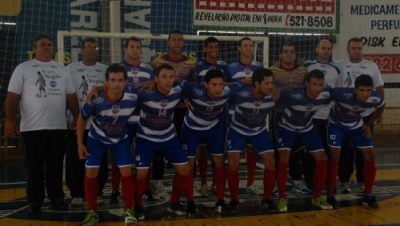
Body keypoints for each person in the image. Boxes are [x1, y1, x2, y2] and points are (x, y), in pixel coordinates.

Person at [4, 34, 79, 214]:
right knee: (35, 167)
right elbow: (12, 97)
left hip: (58, 127)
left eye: (50, 44)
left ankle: (57, 199)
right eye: (43, 44)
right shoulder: (23, 69)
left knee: (55, 167)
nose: (47, 47)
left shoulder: (62, 70)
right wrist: (9, 120)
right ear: (34, 48)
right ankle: (35, 201)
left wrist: (77, 117)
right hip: (32, 129)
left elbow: (71, 97)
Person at [77, 64, 137, 225]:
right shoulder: (96, 99)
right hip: (97, 140)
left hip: (120, 139)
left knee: (126, 172)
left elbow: (150, 87)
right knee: (90, 174)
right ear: (107, 82)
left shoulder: (133, 96)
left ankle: (128, 210)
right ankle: (92, 212)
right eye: (113, 80)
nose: (116, 84)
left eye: (120, 80)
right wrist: (79, 144)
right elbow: (81, 119)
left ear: (126, 82)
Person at [181, 68, 245, 213]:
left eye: (220, 84)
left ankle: (220, 199)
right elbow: (176, 81)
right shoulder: (194, 90)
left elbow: (243, 82)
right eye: (214, 85)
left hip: (213, 128)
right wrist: (182, 96)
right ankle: (190, 201)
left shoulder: (227, 91)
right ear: (205, 85)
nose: (218, 88)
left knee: (219, 162)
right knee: (189, 164)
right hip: (192, 128)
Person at [134, 64, 193, 218]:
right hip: (146, 138)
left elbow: (191, 87)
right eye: (164, 76)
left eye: (170, 77)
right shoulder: (144, 94)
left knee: (185, 170)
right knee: (141, 173)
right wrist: (96, 89)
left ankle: (174, 203)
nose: (168, 80)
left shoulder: (177, 92)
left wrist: (186, 95)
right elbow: (119, 90)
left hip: (168, 137)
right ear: (155, 79)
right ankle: (137, 206)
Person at [148, 30, 197, 199]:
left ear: (183, 43)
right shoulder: (156, 62)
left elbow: (193, 85)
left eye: (180, 40)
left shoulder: (191, 63)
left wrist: (186, 98)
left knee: (186, 146)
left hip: (183, 109)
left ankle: (187, 182)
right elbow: (152, 84)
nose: (177, 43)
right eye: (174, 40)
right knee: (159, 144)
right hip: (162, 109)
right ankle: (157, 182)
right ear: (168, 42)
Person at [276, 69, 332, 212]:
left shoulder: (326, 94)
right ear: (306, 84)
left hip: (307, 128)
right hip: (286, 128)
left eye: (320, 84)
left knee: (322, 159)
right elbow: (274, 94)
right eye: (314, 84)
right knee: (284, 159)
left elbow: (345, 95)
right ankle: (282, 197)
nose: (317, 88)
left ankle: (317, 196)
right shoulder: (292, 94)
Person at [326, 74, 384, 208]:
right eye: (362, 90)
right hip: (336, 124)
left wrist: (369, 124)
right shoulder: (341, 94)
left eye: (368, 90)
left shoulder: (376, 97)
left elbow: (381, 106)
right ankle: (330, 193)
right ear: (355, 90)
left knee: (370, 155)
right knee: (335, 154)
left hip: (356, 125)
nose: (365, 94)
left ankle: (368, 194)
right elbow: (324, 93)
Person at [109, 36, 154, 204]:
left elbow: (157, 87)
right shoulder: (118, 69)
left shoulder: (149, 70)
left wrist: (153, 82)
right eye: (132, 47)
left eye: (138, 47)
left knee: (146, 155)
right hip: (122, 119)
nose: (135, 50)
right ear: (125, 50)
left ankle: (145, 188)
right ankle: (115, 190)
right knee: (118, 155)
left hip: (144, 118)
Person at [336, 37, 385, 193]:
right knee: (346, 151)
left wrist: (378, 114)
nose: (356, 50)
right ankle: (344, 181)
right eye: (353, 48)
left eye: (359, 48)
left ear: (362, 49)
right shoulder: (340, 66)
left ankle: (363, 181)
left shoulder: (371, 66)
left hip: (366, 116)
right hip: (345, 116)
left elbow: (379, 89)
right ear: (348, 49)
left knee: (364, 150)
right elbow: (336, 91)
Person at [65, 37, 109, 207]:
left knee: (99, 160)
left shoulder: (104, 70)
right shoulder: (70, 69)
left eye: (95, 47)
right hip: (77, 123)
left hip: (99, 125)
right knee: (75, 159)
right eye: (88, 47)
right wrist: (72, 117)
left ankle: (97, 192)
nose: (91, 50)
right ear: (81, 50)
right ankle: (76, 193)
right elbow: (66, 95)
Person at [226, 68, 276, 212]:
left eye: (271, 83)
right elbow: (223, 90)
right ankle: (234, 200)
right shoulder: (241, 94)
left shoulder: (273, 97)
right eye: (266, 83)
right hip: (237, 129)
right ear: (256, 84)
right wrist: (242, 81)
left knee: (270, 160)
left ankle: (267, 199)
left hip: (259, 130)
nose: (270, 86)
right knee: (233, 161)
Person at [270, 42, 311, 194]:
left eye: (291, 51)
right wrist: (277, 88)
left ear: (295, 54)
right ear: (280, 54)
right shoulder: (272, 70)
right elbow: (268, 88)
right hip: (279, 114)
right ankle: (275, 181)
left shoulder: (303, 70)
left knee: (297, 149)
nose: (288, 54)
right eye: (285, 51)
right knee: (277, 149)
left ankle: (296, 180)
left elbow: (309, 88)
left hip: (298, 116)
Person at [304, 39, 341, 200]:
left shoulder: (337, 69)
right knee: (310, 153)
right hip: (310, 117)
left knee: (329, 152)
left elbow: (338, 92)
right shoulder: (307, 66)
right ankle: (310, 183)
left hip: (329, 118)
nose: (326, 51)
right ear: (316, 49)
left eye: (329, 48)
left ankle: (330, 183)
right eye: (323, 48)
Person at [194, 37, 229, 197]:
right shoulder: (198, 66)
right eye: (211, 47)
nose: (214, 49)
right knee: (202, 150)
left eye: (216, 46)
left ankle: (216, 183)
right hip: (201, 113)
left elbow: (227, 85)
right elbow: (193, 86)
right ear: (205, 49)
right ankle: (203, 183)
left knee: (218, 152)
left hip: (219, 113)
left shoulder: (223, 66)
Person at [227, 37, 263, 194]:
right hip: (233, 113)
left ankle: (251, 182)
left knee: (252, 150)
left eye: (251, 46)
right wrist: (242, 83)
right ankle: (229, 185)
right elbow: (225, 88)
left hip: (253, 113)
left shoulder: (259, 67)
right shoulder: (230, 68)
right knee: (232, 153)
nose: (249, 48)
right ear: (239, 49)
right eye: (245, 45)